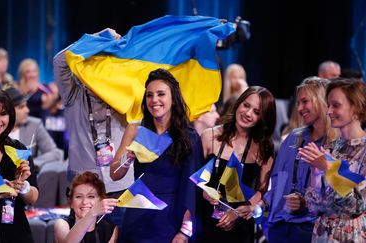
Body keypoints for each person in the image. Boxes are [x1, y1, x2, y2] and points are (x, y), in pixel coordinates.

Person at [110, 68, 203, 242]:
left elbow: (192, 190)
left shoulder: (190, 137)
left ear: (173, 98)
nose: (154, 100)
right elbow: (115, 174)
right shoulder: (136, 130)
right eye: (149, 95)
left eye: (161, 94)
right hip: (136, 216)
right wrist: (128, 157)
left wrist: (184, 231)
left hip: (170, 219)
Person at [53, 27, 134, 226]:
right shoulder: (73, 95)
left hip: (121, 189)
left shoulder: (125, 98)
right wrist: (97, 39)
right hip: (84, 191)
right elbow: (59, 61)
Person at [262, 77, 338, 242]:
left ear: (321, 100)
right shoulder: (293, 138)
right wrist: (268, 219)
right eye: (298, 103)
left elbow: (340, 197)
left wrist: (306, 203)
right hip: (280, 228)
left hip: (313, 231)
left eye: (305, 102)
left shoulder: (339, 144)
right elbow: (277, 180)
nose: (300, 108)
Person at [200, 86, 276, 242]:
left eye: (256, 112)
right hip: (204, 223)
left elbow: (261, 191)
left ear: (263, 118)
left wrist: (240, 212)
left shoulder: (264, 149)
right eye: (246, 105)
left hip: (240, 230)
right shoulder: (209, 136)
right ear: (238, 104)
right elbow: (192, 181)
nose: (247, 113)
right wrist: (204, 192)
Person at [299, 78, 366, 242]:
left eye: (336, 105)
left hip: (352, 236)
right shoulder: (330, 147)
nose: (328, 111)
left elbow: (356, 207)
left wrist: (328, 167)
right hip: (322, 235)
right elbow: (315, 207)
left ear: (356, 108)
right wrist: (315, 172)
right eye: (328, 105)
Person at [0, 89, 39, 243]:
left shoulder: (18, 148)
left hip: (17, 229)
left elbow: (33, 197)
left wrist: (23, 186)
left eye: (3, 114)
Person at [54, 171, 119, 243]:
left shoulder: (109, 229)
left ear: (101, 200)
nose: (84, 202)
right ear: (71, 202)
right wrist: (91, 213)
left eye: (91, 196)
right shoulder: (61, 224)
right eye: (78, 197)